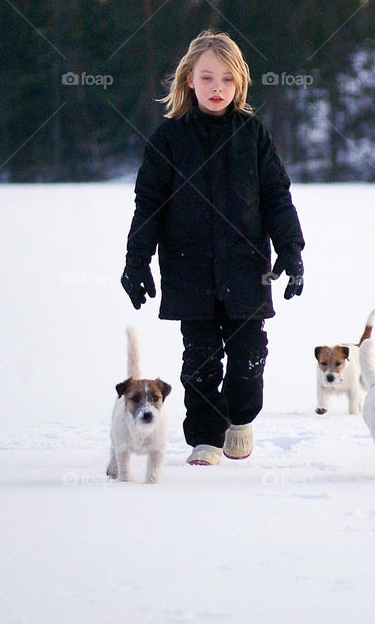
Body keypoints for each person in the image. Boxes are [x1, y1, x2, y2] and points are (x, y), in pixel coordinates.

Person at [121, 30, 305, 466]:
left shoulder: (253, 135)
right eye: (206, 77)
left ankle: (239, 419)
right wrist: (136, 260)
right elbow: (148, 204)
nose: (216, 87)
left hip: (246, 267)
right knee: (200, 360)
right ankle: (205, 436)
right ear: (189, 80)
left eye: (226, 78)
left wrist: (291, 251)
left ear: (239, 83)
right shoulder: (169, 139)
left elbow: (277, 196)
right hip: (189, 268)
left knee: (247, 356)